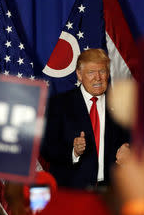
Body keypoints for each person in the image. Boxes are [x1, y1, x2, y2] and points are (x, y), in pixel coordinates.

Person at [41, 49, 131, 189]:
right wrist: (73, 151)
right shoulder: (59, 104)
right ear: (79, 75)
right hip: (73, 192)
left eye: (102, 71)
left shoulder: (120, 104)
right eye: (91, 72)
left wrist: (130, 151)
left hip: (111, 193)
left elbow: (139, 140)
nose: (98, 78)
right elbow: (46, 149)